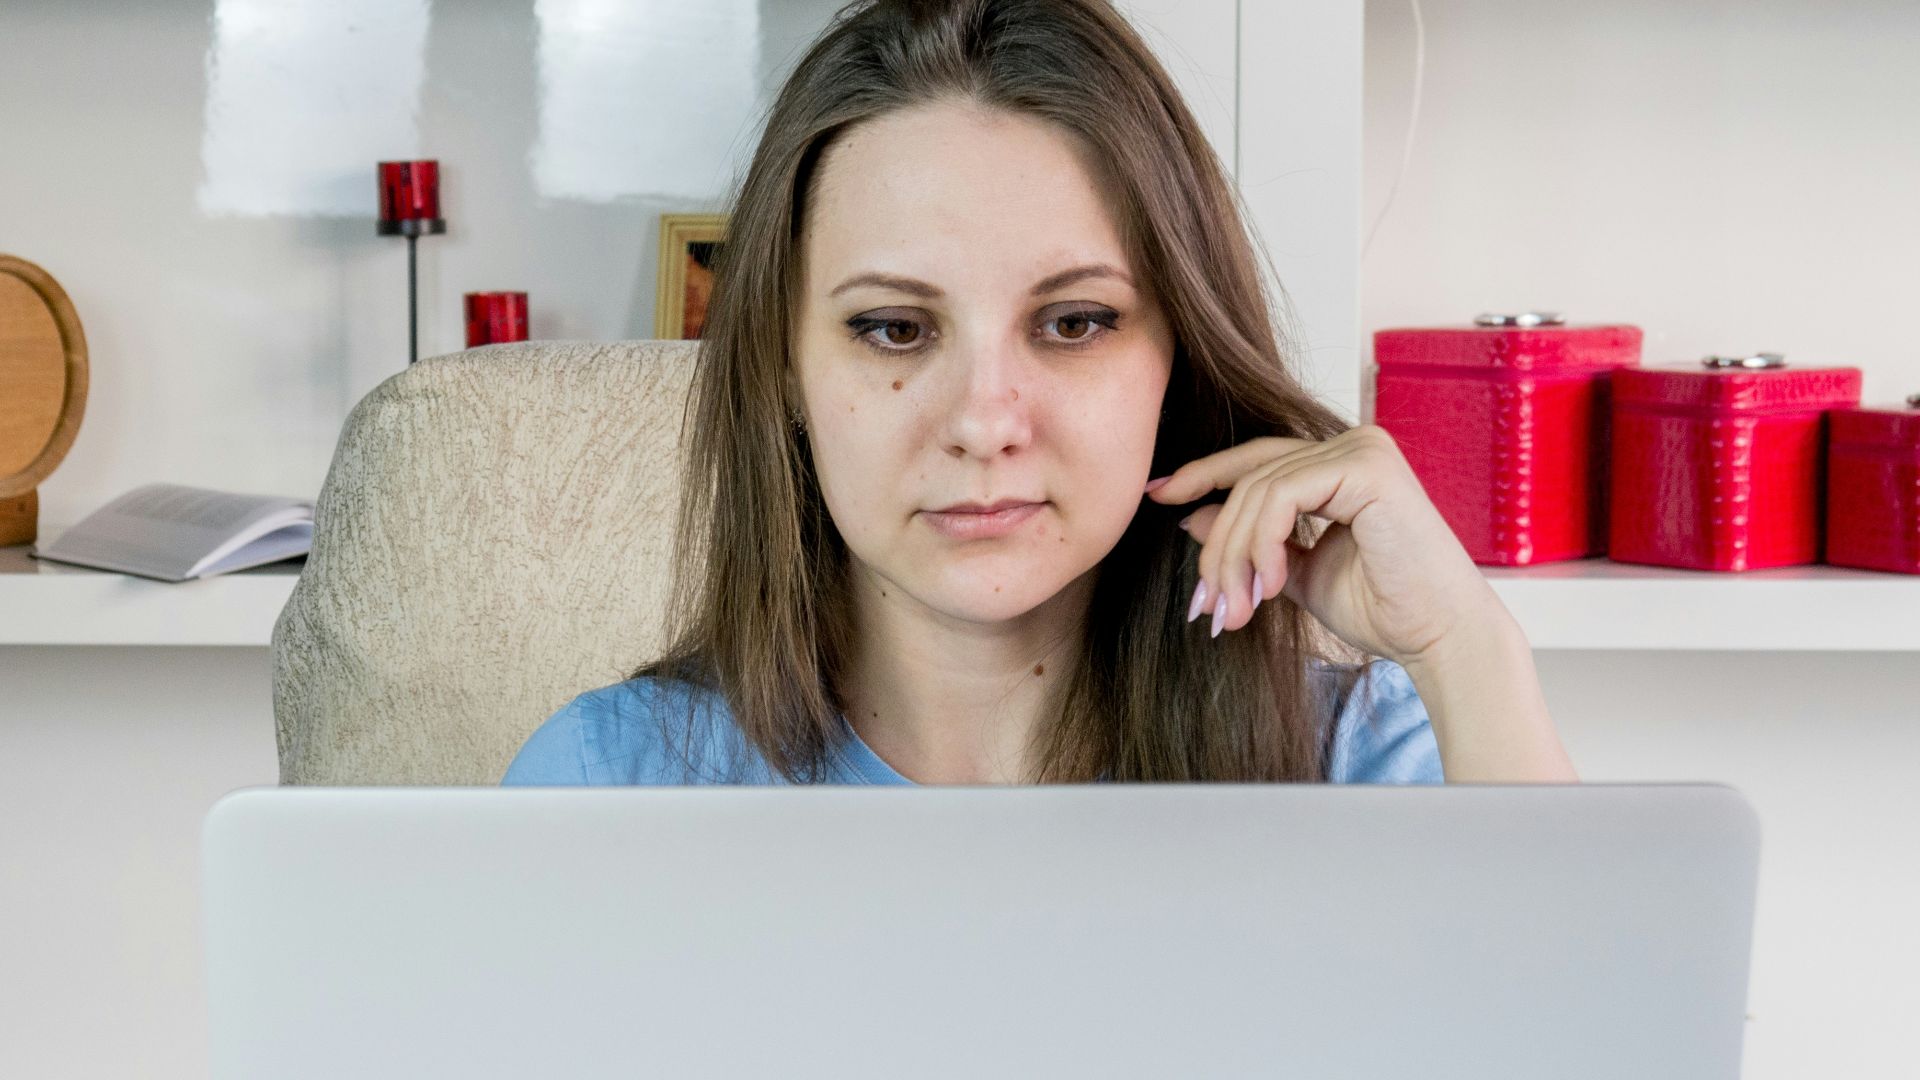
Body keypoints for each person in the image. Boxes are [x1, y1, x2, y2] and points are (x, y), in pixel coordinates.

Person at [504, 0, 1578, 788]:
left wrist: (1467, 647)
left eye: (1074, 324)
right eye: (893, 328)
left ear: (1178, 360)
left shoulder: (1367, 763)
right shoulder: (609, 780)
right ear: (783, 368)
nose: (983, 422)